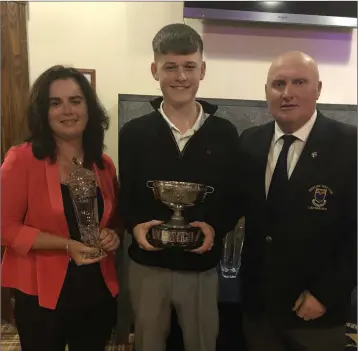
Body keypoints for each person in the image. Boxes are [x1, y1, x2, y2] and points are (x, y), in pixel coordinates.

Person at [118, 23, 241, 351]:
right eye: (170, 67)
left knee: (202, 343)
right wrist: (135, 225)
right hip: (147, 265)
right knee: (147, 343)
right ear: (155, 70)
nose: (181, 76)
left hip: (201, 265)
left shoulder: (226, 133)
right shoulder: (133, 132)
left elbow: (233, 198)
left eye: (189, 66)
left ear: (202, 69)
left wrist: (215, 228)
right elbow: (124, 194)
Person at [238, 51, 357, 351]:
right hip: (259, 309)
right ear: (266, 92)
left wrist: (325, 294)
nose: (287, 93)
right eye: (278, 84)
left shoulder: (350, 145)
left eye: (299, 82)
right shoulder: (249, 142)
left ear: (318, 89)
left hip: (317, 312)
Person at [1, 65, 121, 351]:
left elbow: (114, 220)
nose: (67, 110)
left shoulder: (103, 164)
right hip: (41, 297)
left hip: (96, 293)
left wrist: (113, 235)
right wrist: (66, 245)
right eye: (55, 103)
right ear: (43, 112)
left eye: (75, 101)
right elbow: (5, 228)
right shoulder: (22, 160)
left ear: (89, 108)